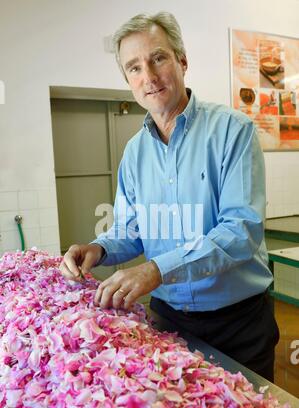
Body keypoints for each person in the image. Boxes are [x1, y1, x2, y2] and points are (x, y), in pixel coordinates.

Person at [60, 12, 279, 381]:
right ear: (128, 80)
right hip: (169, 321)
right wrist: (98, 249)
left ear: (182, 60)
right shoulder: (134, 153)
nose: (148, 76)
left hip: (239, 323)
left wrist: (158, 269)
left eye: (158, 58)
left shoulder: (232, 131)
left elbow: (241, 231)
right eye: (134, 67)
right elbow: (132, 230)